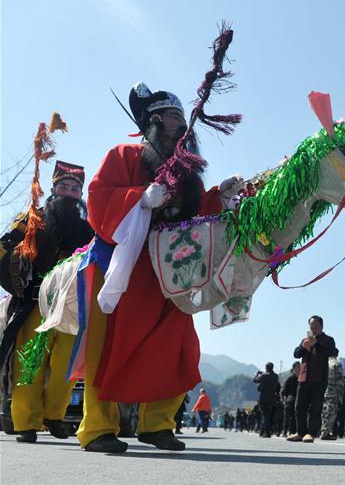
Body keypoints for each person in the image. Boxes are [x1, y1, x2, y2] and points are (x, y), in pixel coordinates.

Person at [77, 84, 242, 453]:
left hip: (170, 272)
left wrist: (220, 197)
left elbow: (196, 217)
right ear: (151, 123)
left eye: (182, 119)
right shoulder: (123, 155)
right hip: (123, 265)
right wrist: (139, 199)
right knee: (107, 346)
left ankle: (157, 424)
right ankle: (98, 428)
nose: (180, 125)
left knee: (179, 346)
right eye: (171, 117)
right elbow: (99, 199)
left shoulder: (188, 174)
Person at [0, 159, 94, 443]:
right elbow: (5, 246)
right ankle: (26, 422)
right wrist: (20, 258)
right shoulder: (32, 220)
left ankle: (54, 415)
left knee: (67, 365)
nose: (69, 193)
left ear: (81, 194)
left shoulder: (89, 228)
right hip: (35, 301)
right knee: (30, 362)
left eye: (75, 189)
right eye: (64, 187)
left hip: (72, 305)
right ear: (54, 190)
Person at [288, 315, 338, 443]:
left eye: (316, 327)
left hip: (319, 378)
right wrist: (303, 347)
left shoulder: (328, 340)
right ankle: (300, 432)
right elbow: (296, 354)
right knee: (299, 406)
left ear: (322, 326)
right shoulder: (305, 340)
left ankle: (311, 433)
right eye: (311, 327)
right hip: (303, 377)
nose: (313, 329)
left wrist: (316, 344)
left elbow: (332, 353)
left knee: (315, 408)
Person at [320, 356, 345, 440]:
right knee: (331, 413)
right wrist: (340, 394)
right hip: (333, 392)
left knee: (324, 413)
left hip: (323, 392)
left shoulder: (323, 363)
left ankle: (323, 431)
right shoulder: (336, 364)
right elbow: (340, 380)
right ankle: (326, 432)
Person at [253, 362, 281, 438]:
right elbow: (278, 387)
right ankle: (264, 431)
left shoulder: (263, 375)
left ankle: (267, 433)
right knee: (269, 416)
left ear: (266, 368)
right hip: (272, 399)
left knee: (265, 415)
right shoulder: (276, 376)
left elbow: (255, 380)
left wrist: (257, 374)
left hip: (263, 398)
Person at [281, 362, 300, 437]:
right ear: (294, 369)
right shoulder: (290, 379)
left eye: (300, 367)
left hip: (299, 400)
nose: (299, 369)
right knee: (287, 417)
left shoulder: (301, 379)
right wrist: (283, 400)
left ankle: (293, 432)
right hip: (290, 400)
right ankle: (285, 431)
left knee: (295, 417)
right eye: (298, 367)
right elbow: (283, 391)